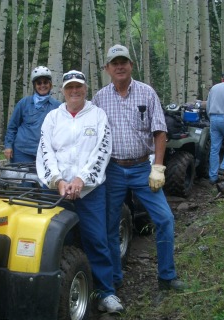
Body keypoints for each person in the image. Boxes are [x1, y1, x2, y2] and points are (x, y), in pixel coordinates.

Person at [92, 44, 186, 293]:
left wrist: (158, 167)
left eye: (124, 61)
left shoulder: (146, 93)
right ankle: (114, 278)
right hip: (112, 170)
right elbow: (90, 134)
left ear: (131, 65)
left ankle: (167, 276)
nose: (120, 66)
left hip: (142, 167)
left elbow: (160, 131)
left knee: (165, 219)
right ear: (107, 69)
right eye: (115, 63)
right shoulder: (100, 98)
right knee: (110, 225)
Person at [36, 70, 123, 314]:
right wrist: (57, 180)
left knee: (96, 239)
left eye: (79, 87)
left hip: (90, 191)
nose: (75, 91)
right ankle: (61, 293)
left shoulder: (97, 115)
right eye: (70, 87)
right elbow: (45, 151)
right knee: (57, 243)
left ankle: (106, 292)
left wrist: (81, 179)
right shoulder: (53, 117)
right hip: (57, 191)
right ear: (62, 91)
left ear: (86, 89)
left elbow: (102, 150)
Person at [4, 66, 61, 163]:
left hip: (46, 153)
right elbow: (12, 127)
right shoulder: (24, 103)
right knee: (19, 177)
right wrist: (8, 146)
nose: (42, 85)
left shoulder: (57, 106)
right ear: (34, 85)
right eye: (39, 83)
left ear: (50, 84)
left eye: (45, 82)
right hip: (21, 152)